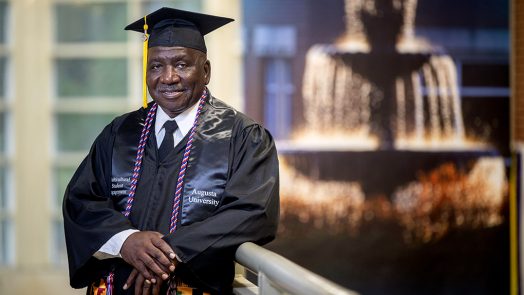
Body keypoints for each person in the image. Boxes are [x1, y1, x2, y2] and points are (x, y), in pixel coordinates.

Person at [62, 7, 279, 295]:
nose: (168, 77)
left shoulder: (242, 136)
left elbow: (254, 212)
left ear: (206, 71)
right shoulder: (119, 133)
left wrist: (169, 253)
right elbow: (82, 200)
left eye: (181, 64)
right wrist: (125, 240)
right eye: (156, 66)